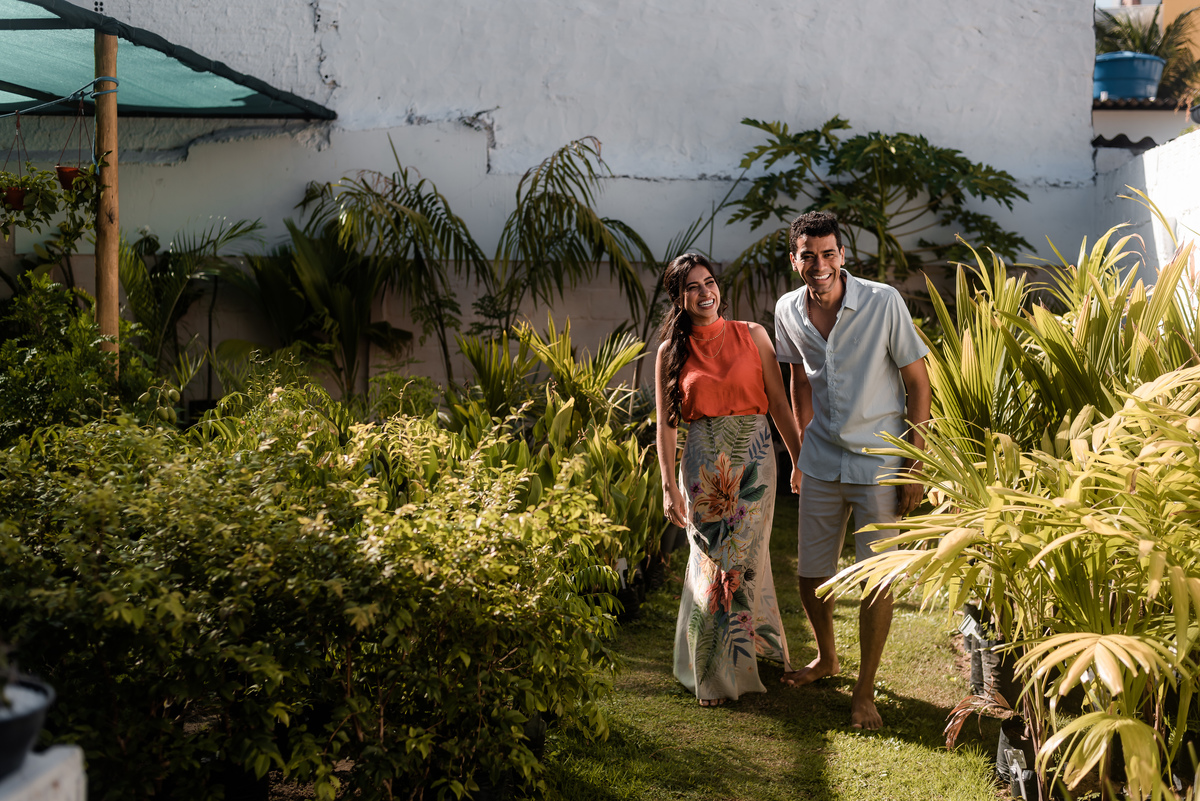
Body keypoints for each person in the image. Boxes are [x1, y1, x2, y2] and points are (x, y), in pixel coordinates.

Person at [774, 210, 931, 730]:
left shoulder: (883, 301)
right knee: (811, 574)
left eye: (828, 254)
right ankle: (827, 657)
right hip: (821, 458)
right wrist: (799, 454)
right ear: (794, 259)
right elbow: (799, 381)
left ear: (842, 255)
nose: (819, 264)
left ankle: (864, 690)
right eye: (808, 255)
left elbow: (918, 383)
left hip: (880, 460)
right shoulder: (788, 311)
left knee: (876, 581)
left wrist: (915, 460)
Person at [655, 253, 803, 707]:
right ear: (679, 298)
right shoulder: (670, 353)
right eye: (694, 287)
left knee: (747, 562)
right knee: (713, 563)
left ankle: (750, 650)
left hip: (755, 459)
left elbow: (779, 403)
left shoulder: (753, 334)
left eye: (710, 282)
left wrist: (799, 459)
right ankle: (713, 672)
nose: (706, 292)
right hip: (703, 468)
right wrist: (668, 485)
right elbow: (666, 425)